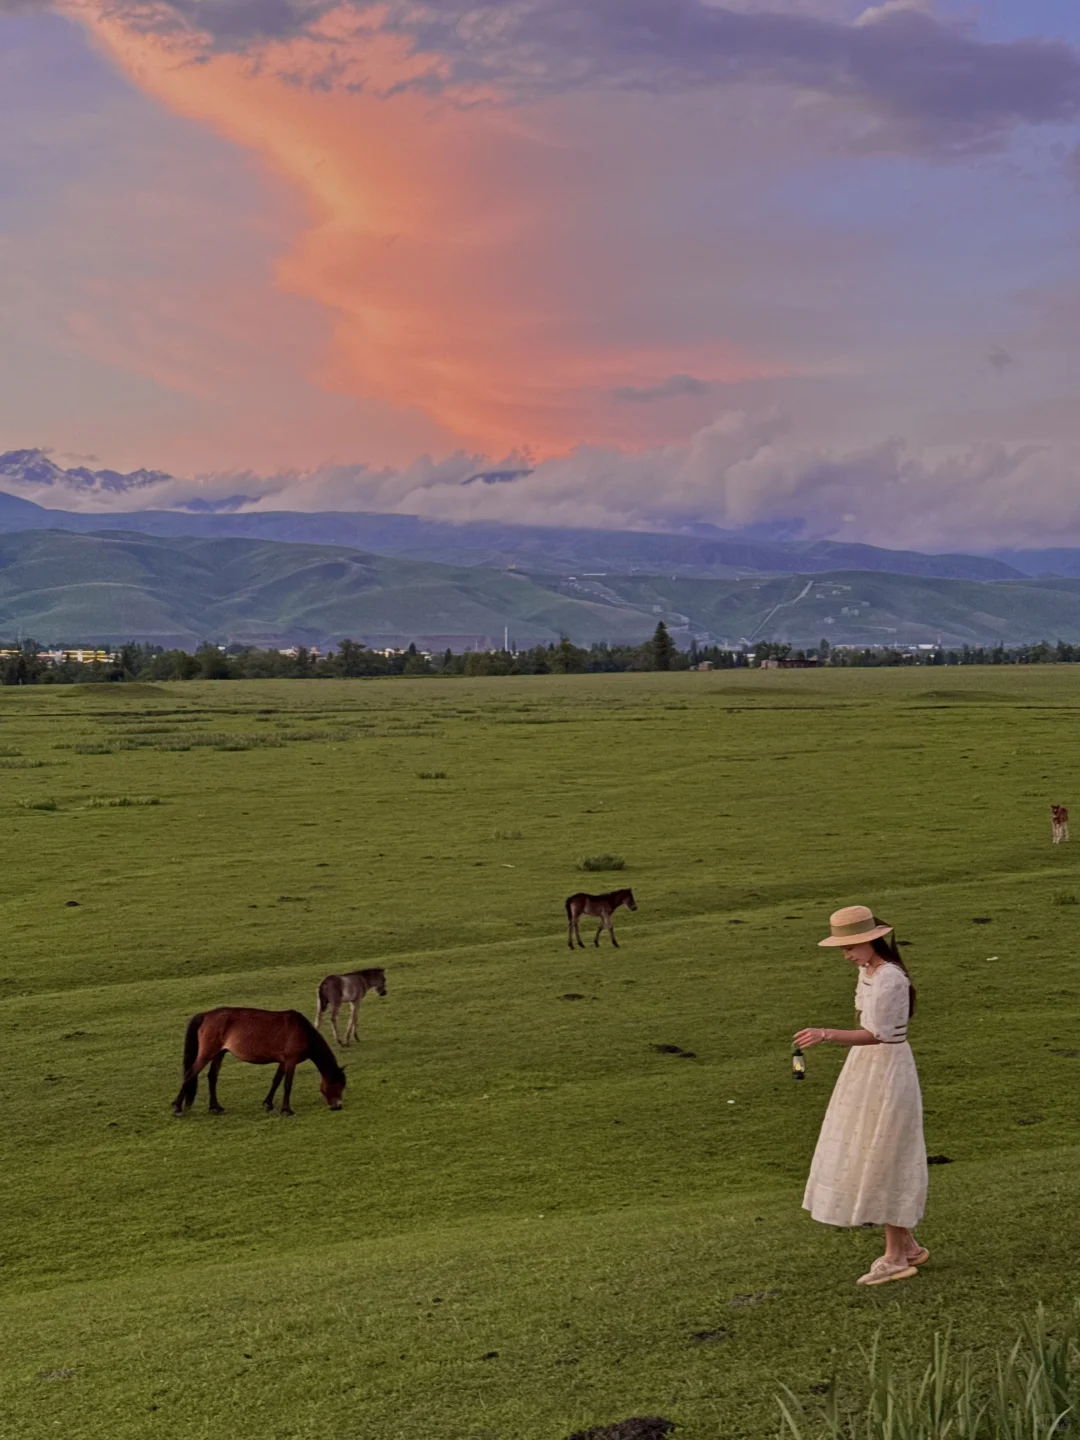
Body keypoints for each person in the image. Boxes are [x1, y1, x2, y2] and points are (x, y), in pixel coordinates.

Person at [795, 904, 929, 1286]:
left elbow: (881, 1034)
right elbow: (863, 1021)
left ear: (873, 940)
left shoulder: (889, 978)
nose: (847, 954)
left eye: (852, 946)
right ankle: (906, 1247)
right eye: (843, 948)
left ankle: (894, 1255)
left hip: (887, 1067)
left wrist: (826, 1034)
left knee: (887, 1150)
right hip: (865, 1069)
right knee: (869, 1144)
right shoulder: (867, 971)